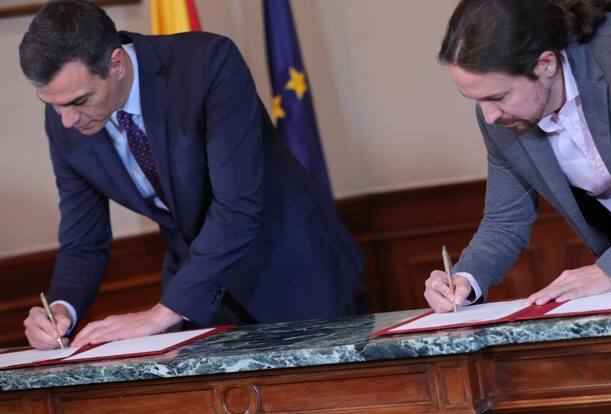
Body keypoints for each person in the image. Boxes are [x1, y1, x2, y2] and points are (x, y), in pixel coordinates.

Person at [423, 1, 611, 412]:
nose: (489, 115)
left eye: (498, 97)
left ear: (545, 64)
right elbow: (504, 219)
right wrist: (466, 278)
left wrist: (609, 270)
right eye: (474, 99)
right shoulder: (499, 117)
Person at [19, 0, 367, 350]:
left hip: (293, 273)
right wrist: (61, 309)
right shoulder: (64, 121)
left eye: (79, 101)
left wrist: (162, 313)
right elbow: (84, 242)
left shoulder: (207, 64)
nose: (67, 120)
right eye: (52, 105)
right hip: (200, 300)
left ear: (117, 64)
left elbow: (238, 206)